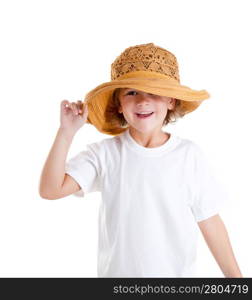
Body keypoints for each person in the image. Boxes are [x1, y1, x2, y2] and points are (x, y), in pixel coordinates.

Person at [39, 43, 242, 277]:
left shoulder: (188, 155)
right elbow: (50, 190)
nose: (142, 101)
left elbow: (209, 220)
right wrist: (66, 133)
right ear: (118, 104)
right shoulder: (104, 154)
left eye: (153, 92)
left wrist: (236, 281)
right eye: (131, 92)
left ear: (171, 101)